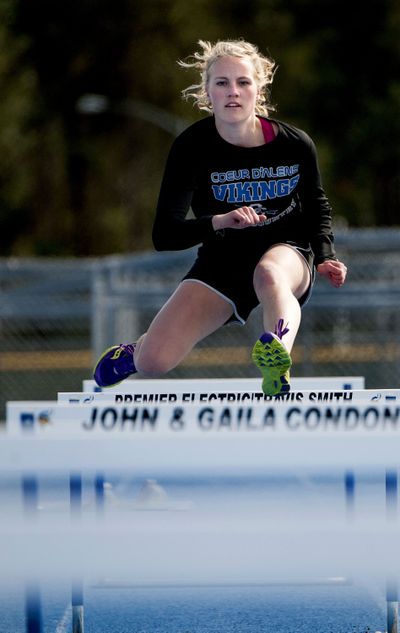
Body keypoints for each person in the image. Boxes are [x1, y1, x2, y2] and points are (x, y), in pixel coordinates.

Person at [93, 38, 347, 396]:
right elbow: (165, 235)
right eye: (222, 83)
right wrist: (219, 221)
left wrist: (325, 254)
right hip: (222, 259)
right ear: (207, 92)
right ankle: (134, 354)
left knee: (269, 273)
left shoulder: (294, 144)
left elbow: (317, 204)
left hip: (285, 249)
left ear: (259, 90)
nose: (233, 92)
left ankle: (276, 357)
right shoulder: (190, 148)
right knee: (155, 362)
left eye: (243, 82)